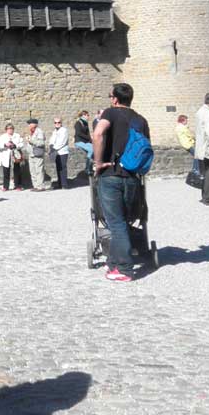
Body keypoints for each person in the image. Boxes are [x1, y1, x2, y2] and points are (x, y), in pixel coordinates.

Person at [92, 82, 150, 283]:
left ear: (115, 99)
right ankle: (114, 261)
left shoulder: (110, 112)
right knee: (123, 221)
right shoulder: (140, 119)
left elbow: (98, 133)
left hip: (111, 174)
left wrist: (98, 162)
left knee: (115, 223)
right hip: (132, 177)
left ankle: (125, 269)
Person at [0, 122, 24, 191]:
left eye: (11, 128)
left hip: (15, 155)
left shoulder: (17, 135)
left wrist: (15, 145)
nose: (10, 130)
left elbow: (22, 144)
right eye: (8, 129)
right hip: (6, 155)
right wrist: (5, 145)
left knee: (17, 170)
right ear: (6, 130)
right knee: (6, 171)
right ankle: (5, 186)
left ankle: (17, 186)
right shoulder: (3, 136)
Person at [25, 119, 46, 191]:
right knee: (33, 171)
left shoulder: (39, 132)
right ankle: (35, 185)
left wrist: (30, 140)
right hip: (31, 154)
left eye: (30, 124)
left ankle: (40, 186)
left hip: (37, 154)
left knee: (39, 170)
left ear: (35, 124)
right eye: (28, 124)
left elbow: (41, 143)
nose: (29, 125)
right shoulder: (31, 132)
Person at [49, 117, 70, 189]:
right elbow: (52, 139)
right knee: (58, 167)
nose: (57, 124)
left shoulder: (64, 130)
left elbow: (62, 142)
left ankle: (65, 184)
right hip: (56, 152)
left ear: (61, 123)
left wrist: (54, 148)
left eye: (59, 122)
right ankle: (60, 183)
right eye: (55, 122)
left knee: (63, 168)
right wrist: (51, 145)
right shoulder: (54, 131)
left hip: (63, 152)